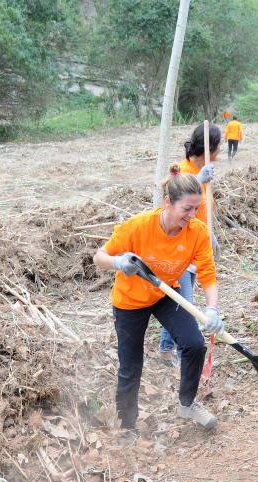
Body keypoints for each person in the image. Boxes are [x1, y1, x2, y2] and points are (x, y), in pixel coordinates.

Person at [94, 167, 224, 438]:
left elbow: (207, 274)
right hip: (129, 301)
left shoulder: (197, 232)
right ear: (168, 203)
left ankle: (187, 404)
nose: (191, 216)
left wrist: (212, 308)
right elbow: (99, 257)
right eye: (186, 209)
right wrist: (118, 262)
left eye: (196, 209)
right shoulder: (139, 227)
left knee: (194, 345)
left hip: (165, 294)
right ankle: (127, 425)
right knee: (131, 366)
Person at [158, 124, 221, 364]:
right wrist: (197, 179)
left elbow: (203, 208)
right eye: (219, 147)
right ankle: (184, 353)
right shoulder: (182, 171)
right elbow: (172, 196)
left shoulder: (205, 170)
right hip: (180, 246)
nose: (220, 151)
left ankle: (166, 347)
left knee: (182, 299)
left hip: (197, 243)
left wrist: (210, 234)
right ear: (210, 148)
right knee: (186, 303)